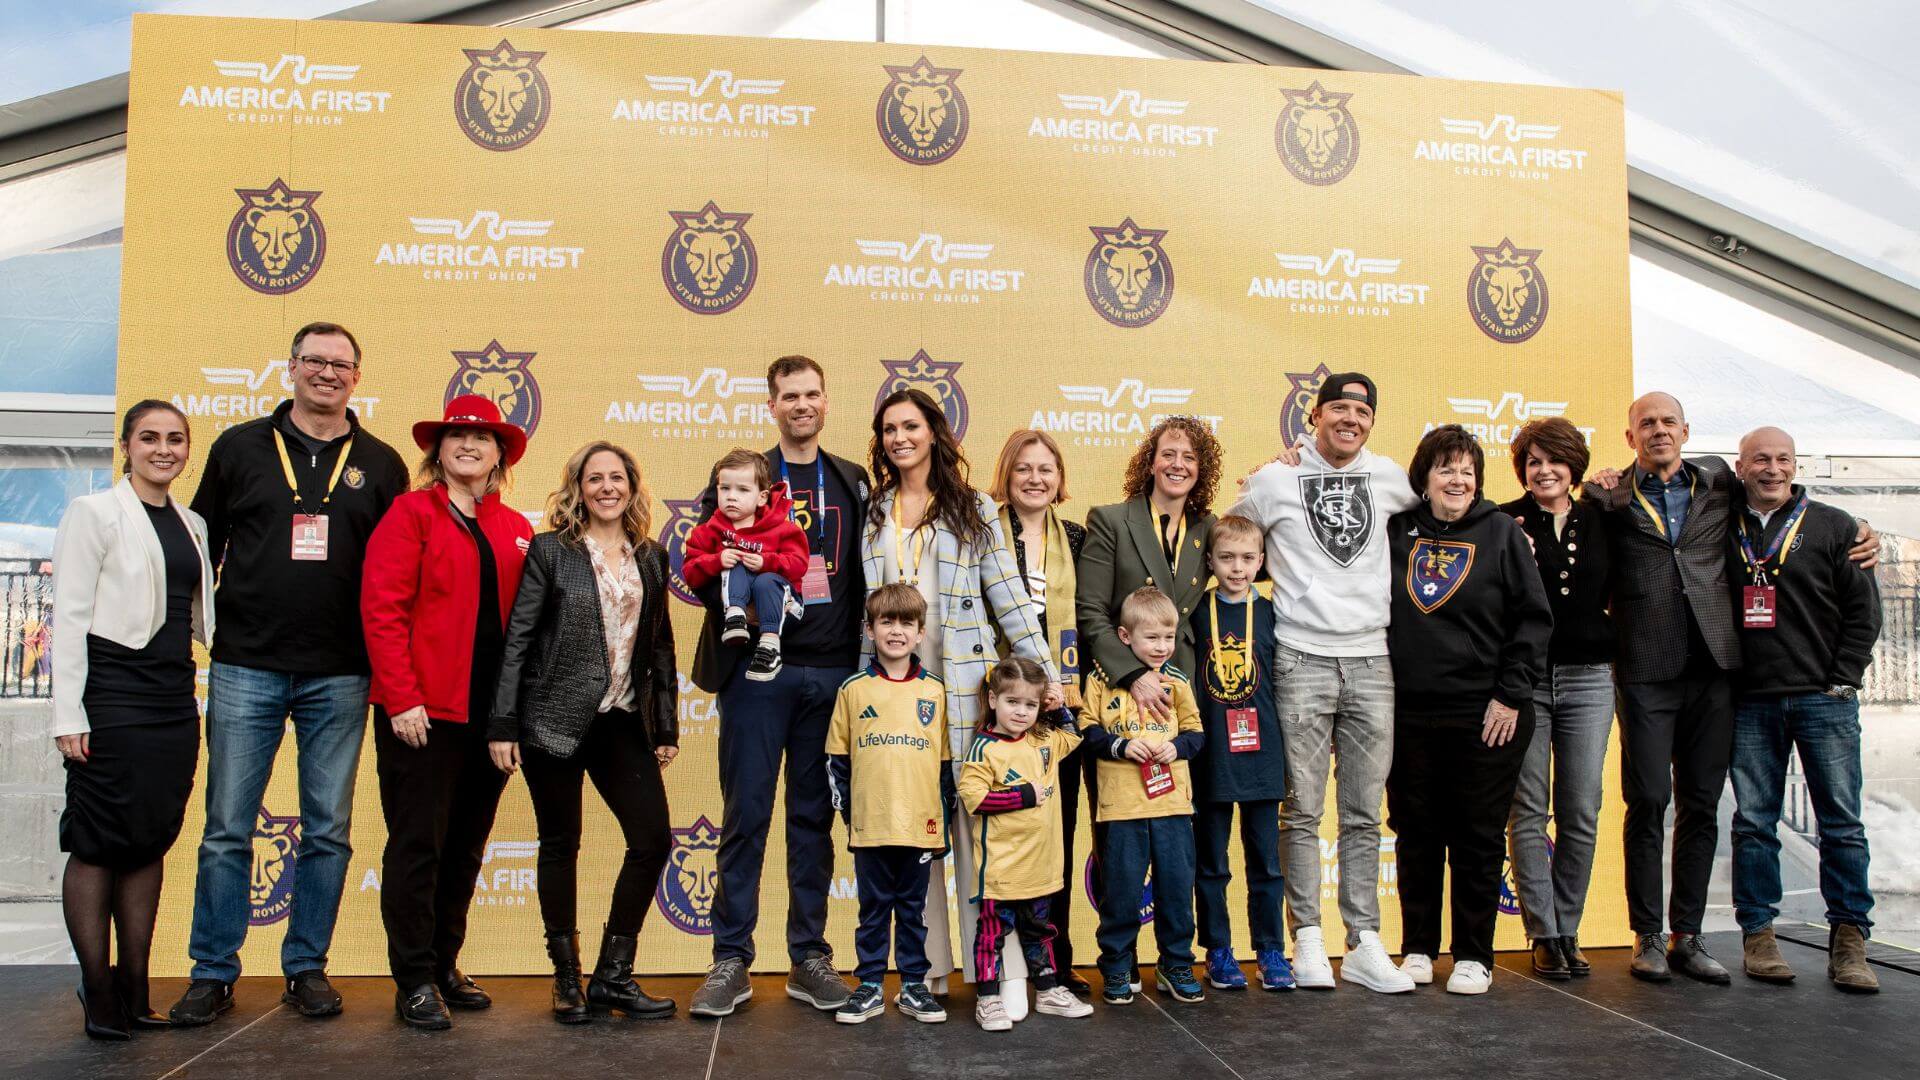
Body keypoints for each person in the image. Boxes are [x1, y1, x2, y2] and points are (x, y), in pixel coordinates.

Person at [173, 322, 409, 1025]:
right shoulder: (239, 447)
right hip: (245, 665)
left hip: (341, 674)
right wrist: (193, 639)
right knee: (225, 829)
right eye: (315, 361)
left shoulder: (383, 463)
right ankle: (212, 971)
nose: (327, 373)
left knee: (328, 831)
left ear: (357, 378)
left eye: (341, 364)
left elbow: (397, 574)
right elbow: (197, 548)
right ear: (291, 368)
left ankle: (306, 966)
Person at [860, 388, 1061, 1011]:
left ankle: (995, 979)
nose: (900, 438)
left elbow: (1009, 598)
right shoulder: (874, 511)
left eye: (911, 426)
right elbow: (861, 616)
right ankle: (929, 974)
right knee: (916, 839)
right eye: (890, 429)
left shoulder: (972, 508)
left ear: (934, 434)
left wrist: (1047, 673)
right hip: (899, 697)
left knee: (981, 843)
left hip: (968, 691)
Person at [1227, 372, 1417, 994]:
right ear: (1314, 415)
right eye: (1340, 407)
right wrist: (1258, 474)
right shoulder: (1275, 479)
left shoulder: (1390, 477)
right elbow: (1226, 540)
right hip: (1300, 659)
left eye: (1363, 411)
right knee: (1301, 810)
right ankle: (1307, 941)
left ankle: (1364, 944)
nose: (1352, 419)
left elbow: (1452, 511)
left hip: (1372, 662)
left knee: (1364, 813)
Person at [689, 356, 867, 1019]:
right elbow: (703, 568)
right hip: (757, 674)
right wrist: (743, 591)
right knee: (746, 815)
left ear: (826, 402)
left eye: (812, 394)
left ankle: (809, 957)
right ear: (772, 405)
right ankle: (730, 959)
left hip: (830, 673)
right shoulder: (741, 477)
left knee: (813, 820)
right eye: (788, 395)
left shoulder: (851, 479)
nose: (801, 404)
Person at [360, 395, 532, 1029]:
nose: (469, 444)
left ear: (500, 453)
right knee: (417, 846)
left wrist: (512, 719)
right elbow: (383, 608)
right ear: (437, 449)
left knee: (464, 848)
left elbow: (526, 628)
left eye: (482, 437)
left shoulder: (515, 525)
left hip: (489, 719)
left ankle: (442, 963)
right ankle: (412, 978)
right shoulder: (411, 513)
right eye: (457, 434)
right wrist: (401, 696)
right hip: (422, 713)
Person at [491, 441, 678, 1023]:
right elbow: (519, 637)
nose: (606, 487)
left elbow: (661, 645)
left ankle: (613, 976)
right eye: (594, 478)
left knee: (651, 840)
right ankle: (567, 978)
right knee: (559, 843)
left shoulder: (650, 556)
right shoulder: (551, 551)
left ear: (631, 486)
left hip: (622, 719)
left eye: (616, 477)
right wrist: (504, 723)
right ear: (578, 487)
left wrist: (665, 724)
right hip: (553, 717)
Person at [51, 400, 214, 1038]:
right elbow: (66, 617)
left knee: (150, 837)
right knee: (98, 841)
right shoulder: (92, 513)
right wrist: (69, 713)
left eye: (176, 439)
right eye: (149, 438)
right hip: (111, 696)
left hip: (174, 697)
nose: (164, 449)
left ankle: (135, 987)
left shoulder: (192, 521)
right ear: (126, 446)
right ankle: (97, 990)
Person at [1385, 425, 1551, 996]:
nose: (1458, 480)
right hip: (1408, 711)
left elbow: (1533, 620)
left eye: (1467, 471)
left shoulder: (1503, 532)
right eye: (1446, 469)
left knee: (1478, 834)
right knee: (1415, 832)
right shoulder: (1395, 529)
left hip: (1487, 709)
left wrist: (1511, 693)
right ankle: (1417, 948)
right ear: (1423, 478)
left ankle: (1475, 954)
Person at [1725, 427, 1881, 992]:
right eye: (1760, 459)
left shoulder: (1837, 526)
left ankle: (1849, 939)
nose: (1772, 469)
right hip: (1749, 700)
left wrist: (1843, 680)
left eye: (1783, 459)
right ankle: (1759, 934)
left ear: (1796, 466)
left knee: (1841, 824)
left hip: (1823, 699)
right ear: (1739, 467)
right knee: (1753, 822)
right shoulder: (1720, 522)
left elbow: (1865, 614)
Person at [1074, 414, 1220, 994]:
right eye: (1168, 453)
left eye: (1190, 456)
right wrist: (1134, 674)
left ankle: (1182, 958)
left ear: (1201, 467)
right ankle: (1118, 962)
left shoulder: (1208, 528)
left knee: (1180, 849)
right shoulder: (1110, 521)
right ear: (1150, 459)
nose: (1178, 463)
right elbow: (1090, 614)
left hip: (1184, 692)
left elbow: (1252, 550)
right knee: (1123, 852)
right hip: (1121, 691)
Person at [1499, 417, 1614, 979]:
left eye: (1554, 461)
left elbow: (1708, 480)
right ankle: (1542, 931)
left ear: (1575, 466)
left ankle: (1570, 926)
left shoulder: (1604, 516)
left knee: (1582, 807)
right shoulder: (1502, 519)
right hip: (1525, 681)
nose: (1543, 471)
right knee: (1527, 809)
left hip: (1592, 678)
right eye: (1533, 462)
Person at [986, 429, 1091, 994]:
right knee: (1003, 838)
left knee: (1057, 835)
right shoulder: (982, 535)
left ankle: (1055, 954)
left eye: (1045, 468)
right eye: (1023, 467)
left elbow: (1093, 616)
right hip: (996, 711)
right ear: (1007, 473)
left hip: (1059, 710)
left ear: (1059, 478)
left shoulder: (1076, 537)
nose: (1034, 478)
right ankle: (1000, 961)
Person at [825, 582, 953, 1026]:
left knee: (913, 911)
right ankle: (870, 986)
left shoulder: (935, 691)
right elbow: (836, 761)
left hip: (920, 827)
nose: (896, 631)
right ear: (870, 629)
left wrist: (943, 826)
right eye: (886, 622)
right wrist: (850, 815)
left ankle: (914, 985)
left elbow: (945, 770)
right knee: (873, 910)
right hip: (871, 825)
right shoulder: (853, 689)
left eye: (906, 623)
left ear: (920, 633)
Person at [957, 657, 1103, 1030]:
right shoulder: (984, 748)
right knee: (992, 935)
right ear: (993, 700)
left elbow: (1073, 736)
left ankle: (1049, 991)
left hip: (1040, 868)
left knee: (1041, 933)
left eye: (1031, 705)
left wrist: (1059, 706)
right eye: (1012, 702)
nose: (1021, 712)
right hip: (1002, 870)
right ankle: (988, 999)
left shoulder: (1043, 739)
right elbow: (973, 798)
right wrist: (1022, 796)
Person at [1085, 587, 1206, 1006]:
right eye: (1151, 638)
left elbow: (1195, 733)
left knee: (1175, 889)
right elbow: (1087, 730)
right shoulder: (1100, 680)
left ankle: (1175, 963)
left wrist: (1176, 748)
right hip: (1121, 808)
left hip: (1172, 805)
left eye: (1168, 637)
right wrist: (1120, 747)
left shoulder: (1178, 681)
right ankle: (1117, 966)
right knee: (1121, 890)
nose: (1161, 647)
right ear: (1124, 637)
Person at [1189, 514, 1293, 992]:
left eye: (1248, 558)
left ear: (1262, 561)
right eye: (1227, 558)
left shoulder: (1274, 612)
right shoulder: (1194, 611)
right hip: (1210, 754)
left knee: (1266, 863)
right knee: (1211, 862)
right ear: (1209, 560)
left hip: (1263, 753)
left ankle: (1271, 949)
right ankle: (1218, 950)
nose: (1237, 568)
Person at [681, 447, 812, 682]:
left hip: (786, 606)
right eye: (725, 488)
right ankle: (735, 617)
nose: (731, 496)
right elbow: (690, 572)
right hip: (740, 621)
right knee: (733, 561)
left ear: (762, 496)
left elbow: (799, 564)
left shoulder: (784, 530)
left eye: (742, 489)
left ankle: (770, 645)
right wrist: (716, 560)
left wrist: (766, 561)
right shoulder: (707, 532)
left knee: (765, 579)